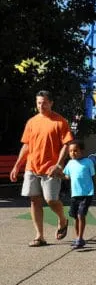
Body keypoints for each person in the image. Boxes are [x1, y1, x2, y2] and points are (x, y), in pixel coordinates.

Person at [10, 90, 73, 247]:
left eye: (44, 102)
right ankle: (40, 236)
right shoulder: (31, 122)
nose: (41, 105)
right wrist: (17, 165)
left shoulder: (60, 121)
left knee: (51, 199)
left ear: (51, 103)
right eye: (38, 103)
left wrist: (59, 164)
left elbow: (67, 144)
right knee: (34, 200)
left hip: (51, 168)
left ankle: (62, 220)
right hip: (32, 167)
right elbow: (26, 144)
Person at [60, 139, 96, 248]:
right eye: (70, 151)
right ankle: (78, 238)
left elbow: (94, 176)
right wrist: (58, 175)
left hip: (87, 194)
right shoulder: (70, 163)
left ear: (82, 151)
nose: (72, 153)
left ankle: (80, 238)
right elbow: (67, 176)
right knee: (75, 216)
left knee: (81, 215)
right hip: (75, 194)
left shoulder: (88, 162)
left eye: (75, 150)